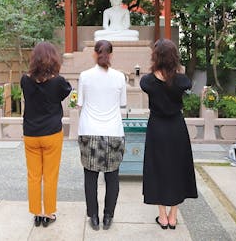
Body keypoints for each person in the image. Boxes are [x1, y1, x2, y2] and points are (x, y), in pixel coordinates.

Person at [140, 39, 198, 230]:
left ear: (156, 56)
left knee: (158, 169)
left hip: (157, 128)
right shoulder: (182, 80)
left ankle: (162, 216)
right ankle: (173, 216)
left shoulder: (147, 81)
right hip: (176, 128)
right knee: (177, 168)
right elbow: (186, 83)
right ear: (174, 57)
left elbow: (148, 82)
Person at [20, 41, 72, 228]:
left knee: (33, 175)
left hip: (31, 134)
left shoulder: (25, 80)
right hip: (51, 133)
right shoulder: (58, 81)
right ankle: (48, 213)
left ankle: (37, 213)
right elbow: (67, 90)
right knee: (50, 175)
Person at [77, 39, 127, 231]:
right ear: (111, 55)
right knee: (112, 177)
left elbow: (80, 102)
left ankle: (94, 217)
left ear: (94, 54)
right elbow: (121, 103)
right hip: (113, 132)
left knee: (90, 177)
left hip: (89, 131)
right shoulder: (119, 77)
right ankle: (108, 216)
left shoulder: (85, 76)